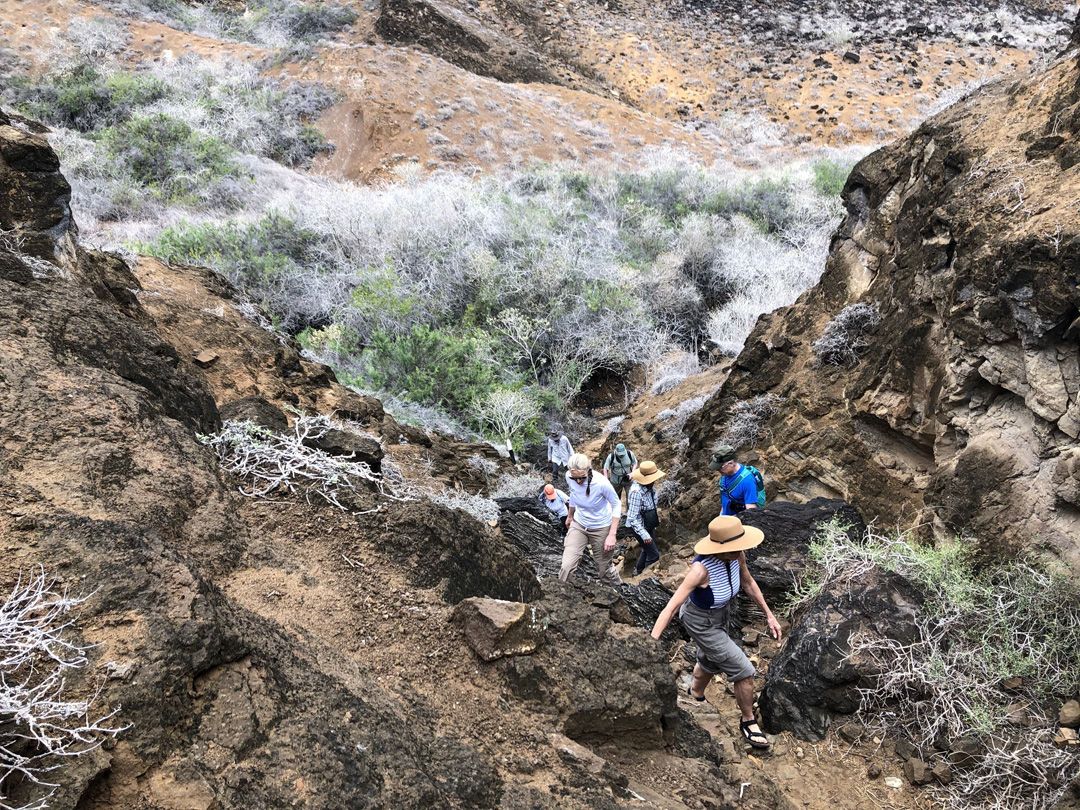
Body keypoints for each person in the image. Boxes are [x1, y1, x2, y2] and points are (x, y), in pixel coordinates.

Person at [651, 515, 781, 750]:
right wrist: (650, 643)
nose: (739, 550)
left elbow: (748, 583)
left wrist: (769, 615)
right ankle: (748, 721)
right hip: (700, 621)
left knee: (712, 657)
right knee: (744, 670)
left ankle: (695, 692)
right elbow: (671, 608)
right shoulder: (700, 570)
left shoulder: (737, 556)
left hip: (722, 613)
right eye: (733, 548)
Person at [561, 453, 622, 587]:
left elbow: (616, 504)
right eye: (574, 478)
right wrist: (570, 516)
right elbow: (573, 494)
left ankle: (621, 591)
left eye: (582, 478)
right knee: (567, 566)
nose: (578, 481)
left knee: (604, 569)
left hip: (601, 526)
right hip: (579, 523)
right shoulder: (568, 476)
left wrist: (612, 534)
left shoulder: (601, 483)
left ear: (588, 470)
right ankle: (562, 593)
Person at [625, 460, 664, 575]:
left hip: (648, 523)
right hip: (639, 526)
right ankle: (644, 577)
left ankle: (638, 571)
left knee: (647, 550)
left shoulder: (650, 488)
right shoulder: (636, 492)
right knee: (654, 555)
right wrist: (644, 534)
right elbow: (632, 518)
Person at [709, 445, 760, 516]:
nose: (718, 470)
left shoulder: (747, 481)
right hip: (726, 517)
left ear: (731, 463)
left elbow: (751, 510)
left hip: (739, 520)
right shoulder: (725, 475)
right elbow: (725, 499)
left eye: (720, 467)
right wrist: (721, 516)